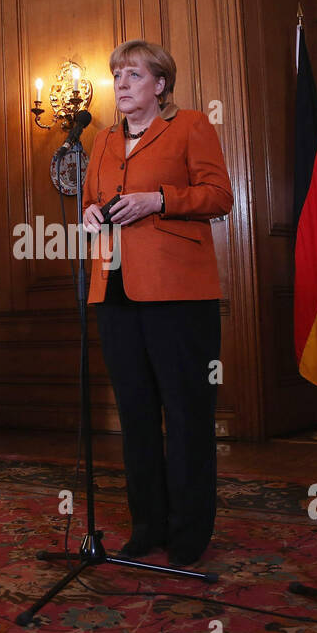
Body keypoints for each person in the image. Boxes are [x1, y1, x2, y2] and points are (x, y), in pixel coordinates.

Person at [81, 40, 233, 567]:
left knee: (188, 414)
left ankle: (190, 532)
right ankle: (147, 524)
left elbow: (220, 196)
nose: (121, 85)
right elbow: (90, 200)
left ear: (160, 84)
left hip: (178, 295)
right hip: (114, 292)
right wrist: (89, 217)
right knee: (136, 415)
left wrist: (160, 199)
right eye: (117, 75)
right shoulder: (100, 140)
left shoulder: (190, 126)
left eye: (134, 75)